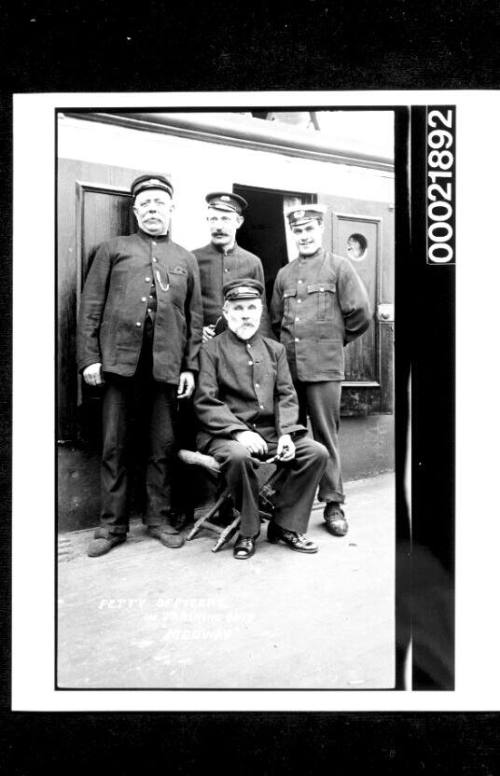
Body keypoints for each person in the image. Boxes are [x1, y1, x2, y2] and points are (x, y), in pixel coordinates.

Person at [77, 173, 203, 557]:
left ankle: (158, 520)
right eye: (145, 204)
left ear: (171, 210)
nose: (152, 210)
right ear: (135, 210)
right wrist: (90, 358)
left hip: (165, 368)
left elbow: (193, 318)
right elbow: (91, 308)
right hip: (119, 366)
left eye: (159, 204)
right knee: (114, 445)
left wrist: (189, 367)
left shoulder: (185, 258)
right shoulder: (113, 249)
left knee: (161, 446)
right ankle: (112, 526)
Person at [194, 277, 329, 560]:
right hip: (224, 436)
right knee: (238, 456)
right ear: (226, 312)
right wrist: (238, 432)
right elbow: (206, 400)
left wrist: (287, 435)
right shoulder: (210, 350)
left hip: (270, 433)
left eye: (252, 308)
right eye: (239, 308)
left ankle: (284, 525)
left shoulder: (275, 350)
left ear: (260, 312)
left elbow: (287, 396)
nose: (245, 315)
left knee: (315, 452)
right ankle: (248, 530)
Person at [270, 205, 371, 538]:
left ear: (321, 230)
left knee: (326, 437)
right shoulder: (284, 274)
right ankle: (291, 502)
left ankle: (332, 503)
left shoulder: (339, 267)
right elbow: (275, 321)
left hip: (325, 368)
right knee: (293, 436)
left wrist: (333, 340)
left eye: (309, 229)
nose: (304, 236)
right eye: (298, 231)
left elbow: (360, 314)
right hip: (291, 370)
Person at [192, 192, 273, 342]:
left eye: (225, 219)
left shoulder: (252, 262)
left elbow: (261, 312)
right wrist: (197, 330)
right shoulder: (193, 259)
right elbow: (184, 307)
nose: (218, 226)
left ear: (239, 222)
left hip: (241, 345)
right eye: (213, 219)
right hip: (204, 346)